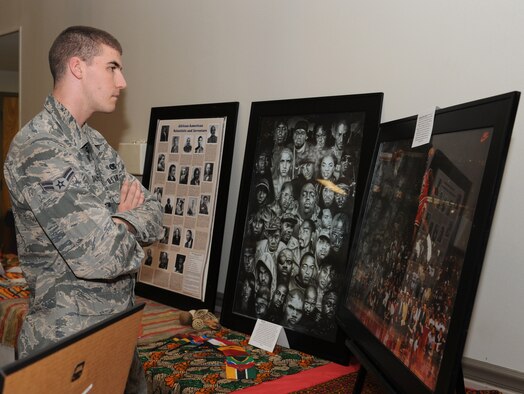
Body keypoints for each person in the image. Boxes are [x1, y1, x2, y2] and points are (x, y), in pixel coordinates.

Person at [3, 26, 163, 393]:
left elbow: (155, 210)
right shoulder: (40, 147)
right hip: (67, 345)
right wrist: (125, 218)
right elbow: (101, 256)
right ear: (77, 66)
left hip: (115, 333)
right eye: (112, 67)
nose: (122, 81)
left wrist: (117, 224)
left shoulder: (92, 141)